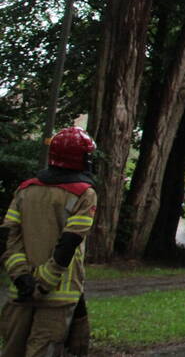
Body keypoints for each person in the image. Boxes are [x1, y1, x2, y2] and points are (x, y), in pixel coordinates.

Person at [1, 126, 97, 357]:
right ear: (79, 158)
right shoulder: (84, 193)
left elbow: (8, 237)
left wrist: (22, 276)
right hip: (56, 296)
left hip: (21, 292)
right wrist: (44, 281)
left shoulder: (25, 190)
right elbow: (70, 241)